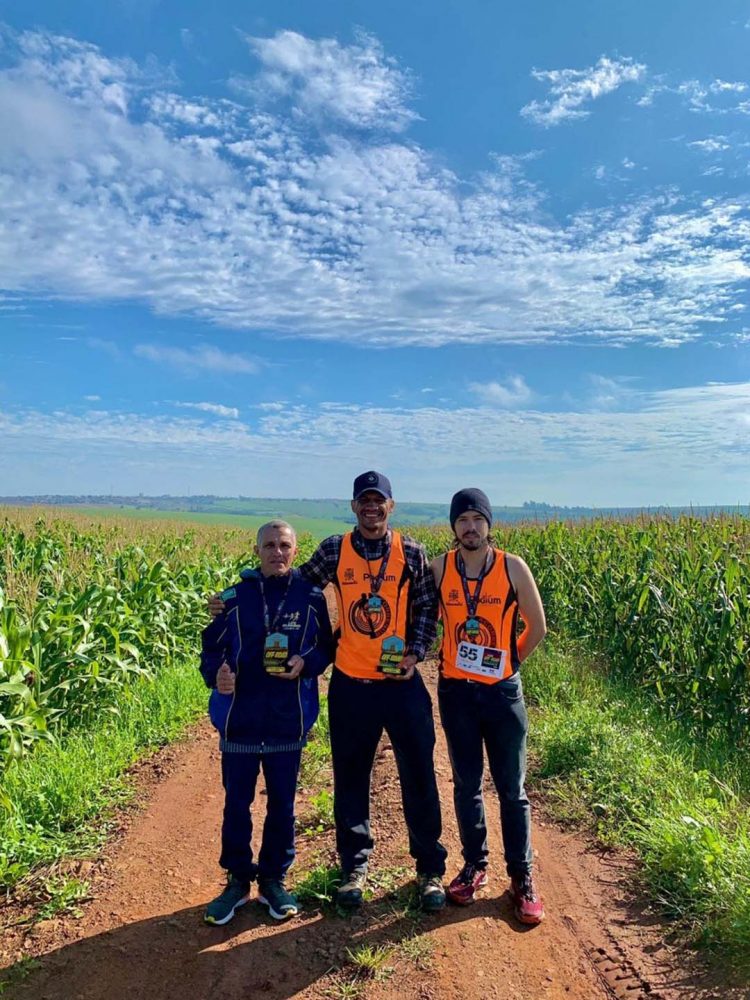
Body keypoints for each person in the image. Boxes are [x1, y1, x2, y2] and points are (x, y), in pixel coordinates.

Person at [209, 472, 447, 912]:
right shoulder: (336, 549)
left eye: (379, 501)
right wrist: (236, 591)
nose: (371, 508)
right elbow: (292, 583)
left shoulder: (410, 550)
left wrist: (415, 652)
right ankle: (353, 868)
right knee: (350, 779)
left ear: (390, 507)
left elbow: (428, 605)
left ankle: (430, 869)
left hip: (401, 685)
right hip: (351, 685)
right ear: (353, 507)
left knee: (418, 775)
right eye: (363, 501)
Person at [200, 520, 333, 925]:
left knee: (283, 806)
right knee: (236, 804)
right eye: (270, 545)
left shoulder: (311, 599)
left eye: (285, 545)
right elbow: (212, 648)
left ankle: (274, 880)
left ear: (295, 551)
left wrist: (305, 664)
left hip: (286, 721)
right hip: (239, 720)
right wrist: (216, 674)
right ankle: (238, 880)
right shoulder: (234, 599)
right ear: (256, 551)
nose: (278, 552)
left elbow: (326, 648)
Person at [432, 488, 547, 924]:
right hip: (456, 691)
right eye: (462, 520)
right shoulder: (441, 568)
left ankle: (522, 877)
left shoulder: (513, 567)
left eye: (478, 519)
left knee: (512, 789)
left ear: (489, 525)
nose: (470, 527)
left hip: (501, 694)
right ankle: (475, 864)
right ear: (454, 527)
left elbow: (537, 627)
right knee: (466, 783)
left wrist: (508, 663)